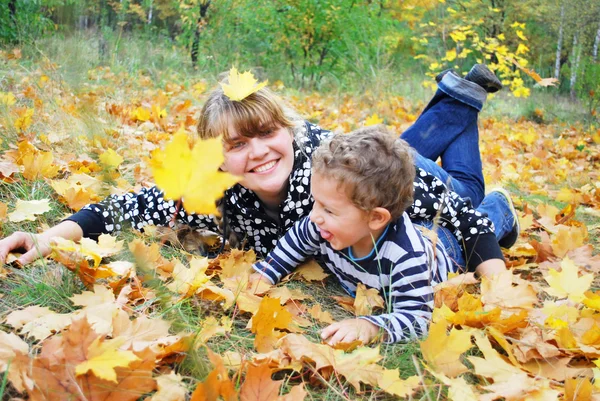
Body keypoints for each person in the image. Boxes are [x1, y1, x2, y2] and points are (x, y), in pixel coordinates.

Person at [0, 65, 516, 276]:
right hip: (380, 158)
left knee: (468, 195)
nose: (261, 152)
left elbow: (457, 218)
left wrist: (492, 276)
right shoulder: (214, 188)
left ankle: (502, 205)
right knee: (412, 154)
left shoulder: (331, 164)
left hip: (379, 171)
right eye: (238, 144)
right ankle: (458, 96)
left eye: (269, 134)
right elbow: (123, 208)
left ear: (290, 131)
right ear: (218, 158)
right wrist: (45, 238)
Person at [251, 128, 513, 345]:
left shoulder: (407, 259)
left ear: (375, 217)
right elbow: (297, 239)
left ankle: (499, 205)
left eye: (328, 209)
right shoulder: (323, 225)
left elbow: (417, 317)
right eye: (316, 203)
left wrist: (370, 326)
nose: (315, 215)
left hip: (442, 248)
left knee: (473, 235)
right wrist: (267, 271)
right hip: (397, 228)